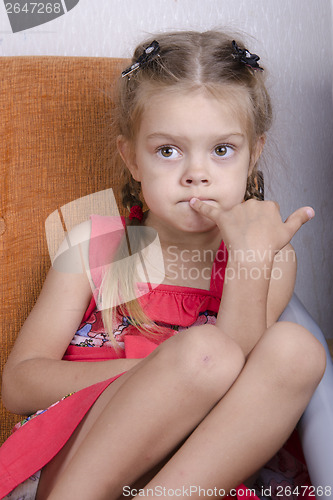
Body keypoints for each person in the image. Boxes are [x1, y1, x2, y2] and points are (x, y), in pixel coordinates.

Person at [0, 30, 326, 500]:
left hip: (188, 473)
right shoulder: (96, 243)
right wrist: (163, 373)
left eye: (222, 150)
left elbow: (238, 383)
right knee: (203, 355)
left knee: (299, 349)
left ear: (253, 155)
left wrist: (251, 261)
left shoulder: (269, 260)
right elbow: (19, 382)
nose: (197, 173)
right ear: (131, 158)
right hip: (76, 465)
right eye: (167, 151)